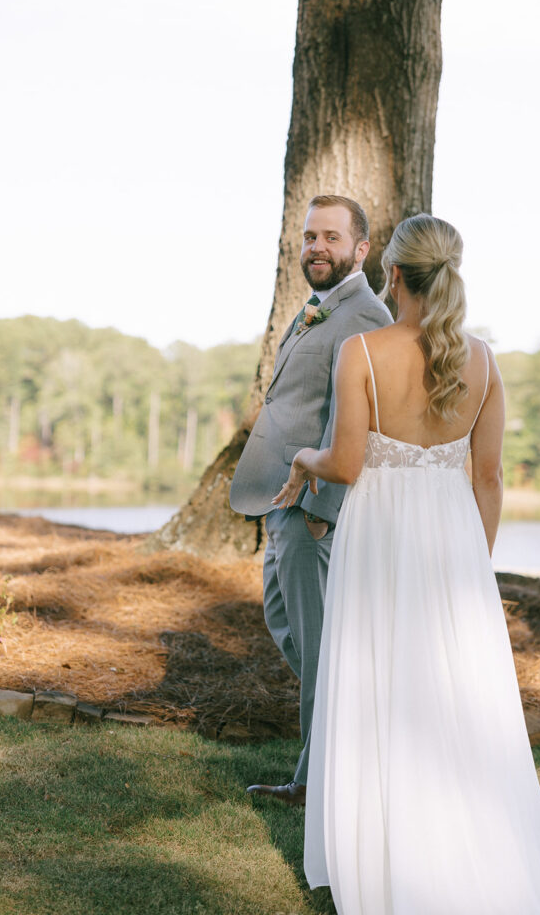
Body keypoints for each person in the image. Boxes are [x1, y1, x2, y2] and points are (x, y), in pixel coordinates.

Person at [274, 214, 540, 914]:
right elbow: (490, 478)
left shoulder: (361, 350)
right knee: (454, 694)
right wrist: (472, 571)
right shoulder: (482, 361)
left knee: (377, 684)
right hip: (454, 544)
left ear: (392, 274)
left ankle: (382, 851)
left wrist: (303, 458)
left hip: (379, 535)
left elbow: (348, 464)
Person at [229, 194, 392, 804]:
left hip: (313, 506)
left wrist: (321, 516)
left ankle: (316, 785)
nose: (316, 248)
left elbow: (353, 422)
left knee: (320, 649)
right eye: (308, 237)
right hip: (281, 501)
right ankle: (356, 736)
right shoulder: (322, 307)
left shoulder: (364, 316)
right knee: (289, 628)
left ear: (362, 248)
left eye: (330, 237)